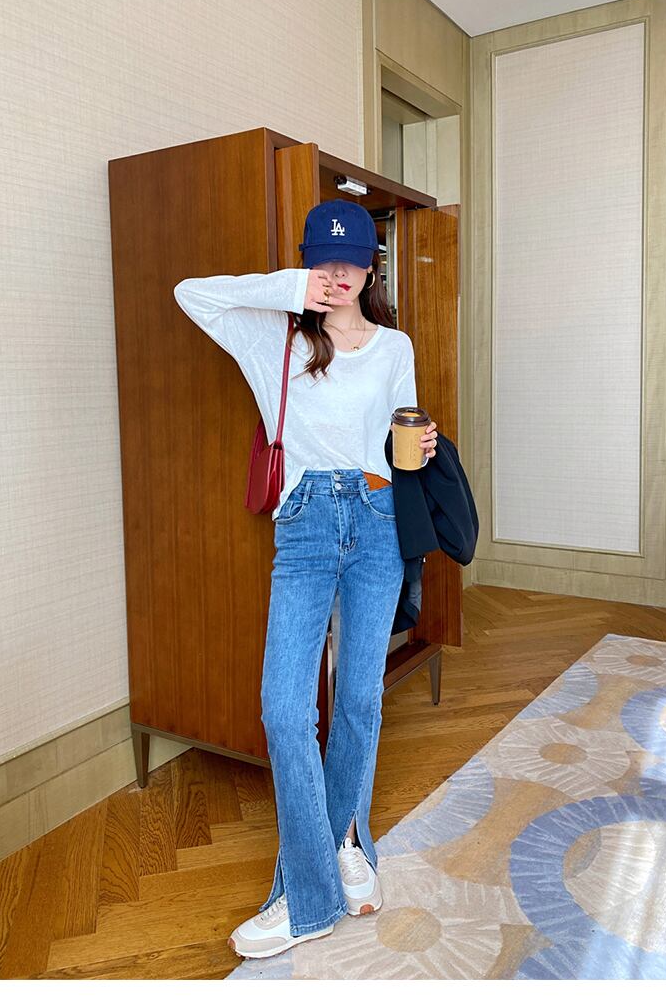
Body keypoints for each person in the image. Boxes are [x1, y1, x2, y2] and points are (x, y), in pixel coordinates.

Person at [173, 199, 437, 960]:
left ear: (372, 269)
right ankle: (312, 896)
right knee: (286, 709)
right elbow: (192, 294)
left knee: (359, 698)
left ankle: (346, 838)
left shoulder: (394, 345)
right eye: (324, 260)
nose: (338, 273)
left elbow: (398, 438)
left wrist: (420, 443)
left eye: (352, 261)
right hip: (307, 523)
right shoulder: (275, 336)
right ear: (308, 262)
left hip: (379, 516)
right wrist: (291, 289)